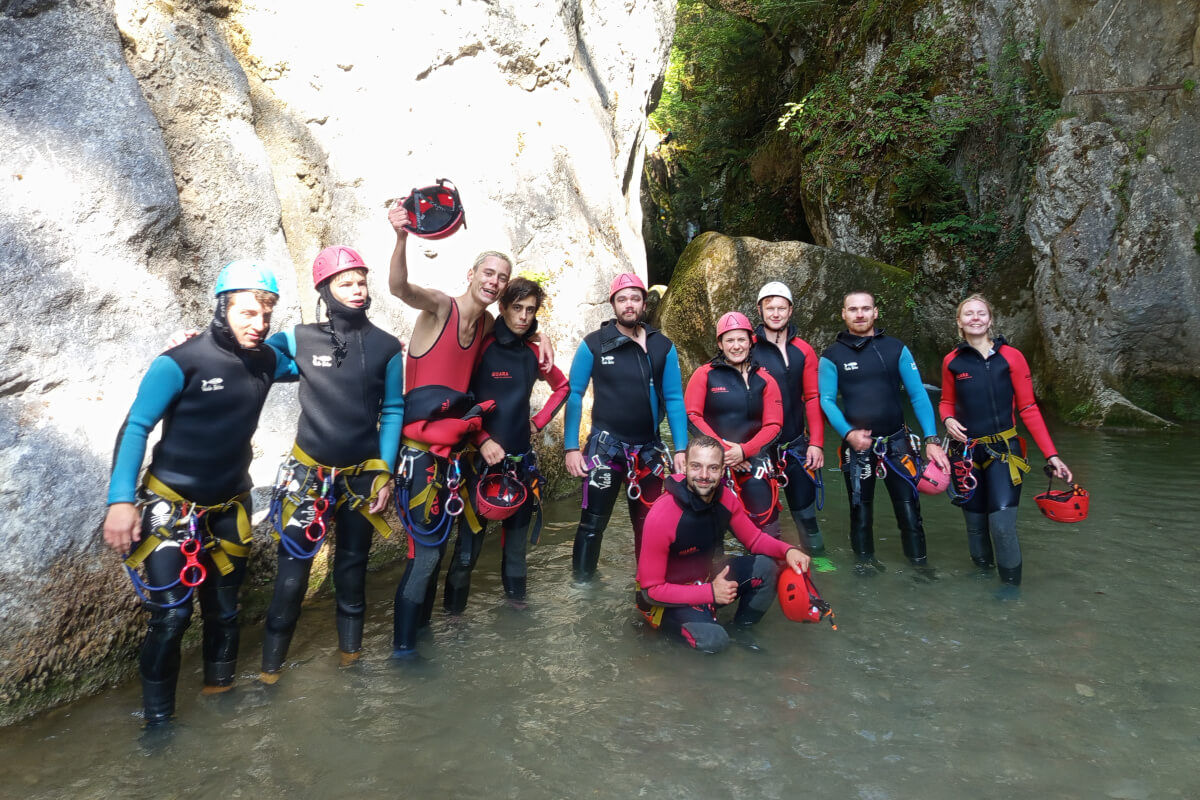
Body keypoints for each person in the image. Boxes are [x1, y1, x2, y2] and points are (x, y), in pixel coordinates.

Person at [102, 261, 291, 726]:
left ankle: (220, 693)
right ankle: (158, 723)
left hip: (230, 506)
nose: (259, 324)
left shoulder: (266, 360)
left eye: (266, 314)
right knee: (171, 616)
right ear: (222, 309)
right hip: (172, 507)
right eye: (247, 313)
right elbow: (136, 427)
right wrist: (120, 501)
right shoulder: (179, 362)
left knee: (225, 610)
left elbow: (313, 354)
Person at [386, 205, 550, 656]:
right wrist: (401, 238)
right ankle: (404, 653)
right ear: (472, 274)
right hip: (420, 455)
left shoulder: (486, 326)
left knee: (437, 552)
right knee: (425, 555)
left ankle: (421, 640)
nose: (494, 281)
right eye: (489, 273)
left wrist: (542, 338)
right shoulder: (442, 307)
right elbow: (400, 288)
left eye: (502, 277)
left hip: (454, 458)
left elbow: (519, 331)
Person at [258, 246, 404, 683]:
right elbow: (249, 359)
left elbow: (393, 410)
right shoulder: (298, 338)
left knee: (352, 571)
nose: (357, 290)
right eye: (346, 283)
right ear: (324, 289)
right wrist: (195, 343)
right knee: (291, 578)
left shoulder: (386, 346)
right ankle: (269, 673)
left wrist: (384, 472)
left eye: (361, 282)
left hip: (361, 477)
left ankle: (351, 662)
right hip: (308, 476)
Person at [442, 277, 569, 610]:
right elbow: (460, 401)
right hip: (480, 465)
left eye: (530, 310)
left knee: (515, 552)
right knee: (467, 553)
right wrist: (482, 439)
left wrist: (538, 422)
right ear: (502, 307)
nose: (524, 316)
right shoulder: (482, 347)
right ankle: (454, 621)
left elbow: (563, 387)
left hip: (520, 466)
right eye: (517, 308)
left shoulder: (534, 351)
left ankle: (517, 617)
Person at [938, 294, 1073, 587]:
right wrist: (947, 420)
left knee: (1001, 526)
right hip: (965, 452)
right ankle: (982, 582)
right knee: (975, 526)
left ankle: (1010, 591)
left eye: (981, 313)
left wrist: (1051, 455)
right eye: (968, 314)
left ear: (990, 320)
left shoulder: (1012, 357)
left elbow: (1028, 408)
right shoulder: (952, 361)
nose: (975, 318)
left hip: (1003, 451)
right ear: (959, 322)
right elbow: (946, 402)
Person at [563, 272, 689, 580]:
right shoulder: (593, 345)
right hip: (606, 449)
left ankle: (647, 587)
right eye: (622, 299)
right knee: (592, 524)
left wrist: (682, 449)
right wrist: (570, 448)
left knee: (649, 526)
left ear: (644, 303)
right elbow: (575, 394)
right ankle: (583, 590)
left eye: (635, 298)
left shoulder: (663, 346)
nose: (629, 304)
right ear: (613, 304)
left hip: (649, 451)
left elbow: (674, 399)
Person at [636, 435, 810, 653]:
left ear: (722, 471)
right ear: (685, 467)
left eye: (713, 468)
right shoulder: (662, 516)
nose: (704, 475)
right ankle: (693, 632)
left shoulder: (725, 498)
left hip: (707, 584)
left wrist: (789, 550)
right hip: (663, 601)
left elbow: (754, 540)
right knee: (715, 641)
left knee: (767, 568)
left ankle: (741, 631)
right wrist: (709, 593)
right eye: (696, 466)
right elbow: (650, 591)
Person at [818, 291, 950, 574]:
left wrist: (931, 439)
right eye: (853, 309)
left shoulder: (895, 349)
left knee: (909, 510)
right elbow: (826, 401)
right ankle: (864, 565)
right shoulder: (832, 356)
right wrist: (848, 433)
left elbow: (918, 394)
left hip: (897, 443)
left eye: (866, 308)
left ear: (875, 312)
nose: (860, 314)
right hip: (858, 445)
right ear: (843, 314)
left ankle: (920, 567)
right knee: (860, 511)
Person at [684, 311, 784, 536]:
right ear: (720, 344)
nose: (736, 346)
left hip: (752, 461)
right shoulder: (704, 375)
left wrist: (744, 451)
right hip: (713, 461)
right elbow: (692, 416)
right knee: (704, 533)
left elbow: (774, 425)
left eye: (741, 340)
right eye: (730, 340)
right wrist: (725, 452)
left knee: (767, 528)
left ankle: (764, 557)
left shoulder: (765, 380)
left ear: (751, 341)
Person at [752, 281, 828, 553]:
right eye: (769, 308)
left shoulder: (803, 350)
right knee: (764, 518)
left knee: (806, 515)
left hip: (796, 445)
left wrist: (816, 443)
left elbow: (812, 398)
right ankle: (768, 565)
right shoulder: (748, 348)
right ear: (760, 310)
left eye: (781, 308)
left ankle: (819, 562)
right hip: (760, 449)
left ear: (790, 310)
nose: (775, 313)